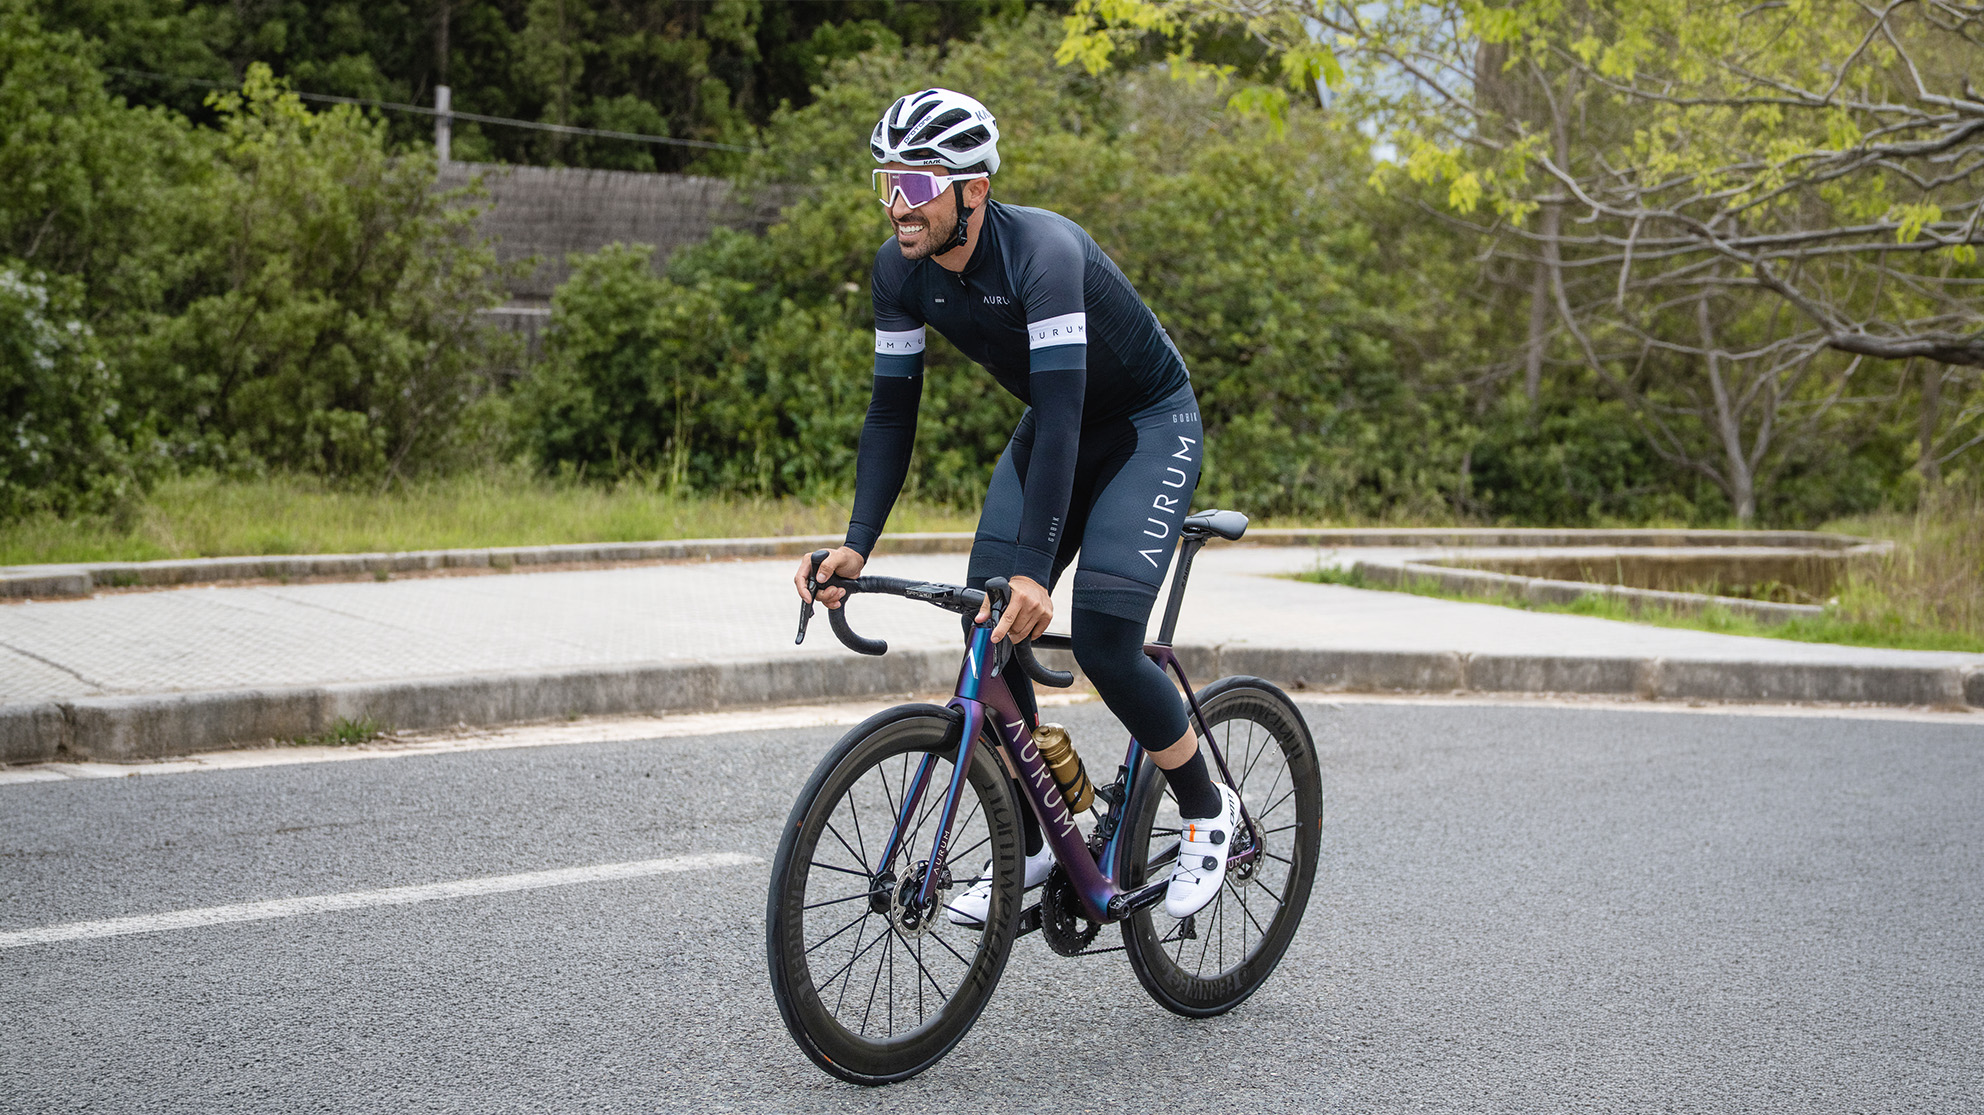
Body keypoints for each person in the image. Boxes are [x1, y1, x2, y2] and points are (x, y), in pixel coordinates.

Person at [791, 88, 1237, 922]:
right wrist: (857, 542)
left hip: (1145, 426)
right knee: (983, 628)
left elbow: (1067, 409)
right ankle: (1041, 837)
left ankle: (1209, 809)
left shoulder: (1044, 253)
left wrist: (1036, 571)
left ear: (973, 191)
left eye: (916, 184)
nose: (897, 204)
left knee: (1104, 638)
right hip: (1057, 430)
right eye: (886, 180)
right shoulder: (901, 272)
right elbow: (893, 412)